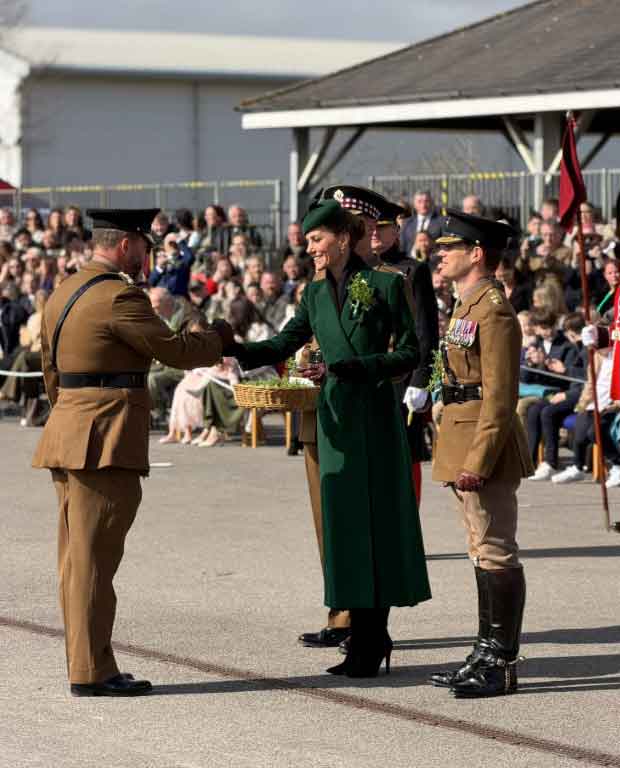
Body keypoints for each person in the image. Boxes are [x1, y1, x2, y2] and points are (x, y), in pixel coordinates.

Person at [32, 208, 232, 697]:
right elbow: (175, 350)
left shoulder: (63, 290)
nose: (148, 255)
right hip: (103, 440)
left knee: (77, 561)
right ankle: (92, 671)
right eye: (144, 244)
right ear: (125, 244)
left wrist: (71, 417)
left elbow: (49, 371)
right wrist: (218, 338)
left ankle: (87, 663)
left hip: (69, 433)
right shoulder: (119, 296)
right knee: (95, 561)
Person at [227, 199, 431, 677]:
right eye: (308, 242)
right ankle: (362, 638)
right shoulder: (314, 295)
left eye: (316, 240)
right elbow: (283, 343)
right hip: (335, 419)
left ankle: (373, 638)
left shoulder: (385, 284)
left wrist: (359, 368)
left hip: (375, 418)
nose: (310, 249)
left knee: (377, 526)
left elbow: (410, 350)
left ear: (343, 237)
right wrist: (232, 347)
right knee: (345, 530)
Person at [430, 209, 532, 697]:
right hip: (461, 436)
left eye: (450, 247)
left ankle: (500, 661)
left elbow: (499, 395)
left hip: (481, 447)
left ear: (476, 254)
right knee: (480, 548)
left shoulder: (492, 308)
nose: (440, 254)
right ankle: (484, 650)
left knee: (495, 549)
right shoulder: (465, 304)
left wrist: (479, 459)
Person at [371, 197, 439, 503]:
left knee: (406, 457)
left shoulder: (413, 270)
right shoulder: (354, 270)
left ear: (396, 232)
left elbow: (426, 330)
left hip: (401, 378)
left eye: (382, 227)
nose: (374, 232)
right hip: (366, 376)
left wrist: (420, 379)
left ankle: (407, 533)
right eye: (369, 226)